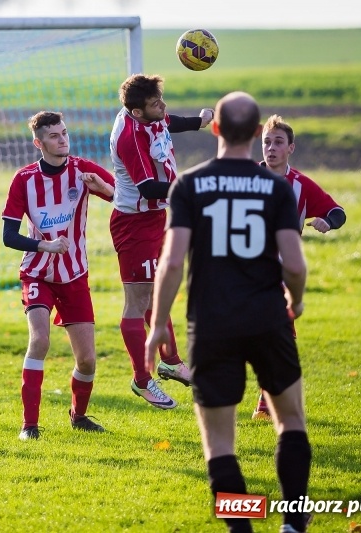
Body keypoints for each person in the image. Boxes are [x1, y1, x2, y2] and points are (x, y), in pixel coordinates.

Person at [146, 92, 311, 533]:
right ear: (257, 134)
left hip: (212, 324)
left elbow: (173, 261)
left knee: (220, 444)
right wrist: (295, 300)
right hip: (268, 317)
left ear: (214, 128)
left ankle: (243, 528)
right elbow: (294, 264)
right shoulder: (277, 186)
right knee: (290, 421)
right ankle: (293, 523)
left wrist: (158, 323)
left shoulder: (189, 185)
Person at [2, 111, 115, 441]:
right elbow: (9, 236)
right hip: (37, 273)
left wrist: (103, 187)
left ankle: (78, 416)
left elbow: (124, 199)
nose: (62, 139)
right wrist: (45, 246)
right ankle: (29, 426)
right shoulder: (24, 179)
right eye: (53, 135)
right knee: (39, 340)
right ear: (39, 143)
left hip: (75, 275)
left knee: (89, 360)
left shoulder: (83, 170)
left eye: (64, 133)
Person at [109, 73, 214, 409]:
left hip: (157, 217)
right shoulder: (129, 136)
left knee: (159, 290)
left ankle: (170, 360)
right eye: (156, 103)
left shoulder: (147, 113)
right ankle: (142, 380)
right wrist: (193, 185)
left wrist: (199, 122)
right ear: (138, 112)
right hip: (134, 224)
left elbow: (169, 121)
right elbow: (148, 188)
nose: (163, 107)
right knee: (138, 301)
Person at [251, 113, 347, 420]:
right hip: (237, 271)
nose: (272, 147)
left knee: (278, 339)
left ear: (291, 148)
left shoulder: (301, 184)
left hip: (277, 275)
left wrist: (327, 221)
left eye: (279, 142)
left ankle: (267, 405)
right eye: (267, 141)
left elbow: (337, 211)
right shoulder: (245, 176)